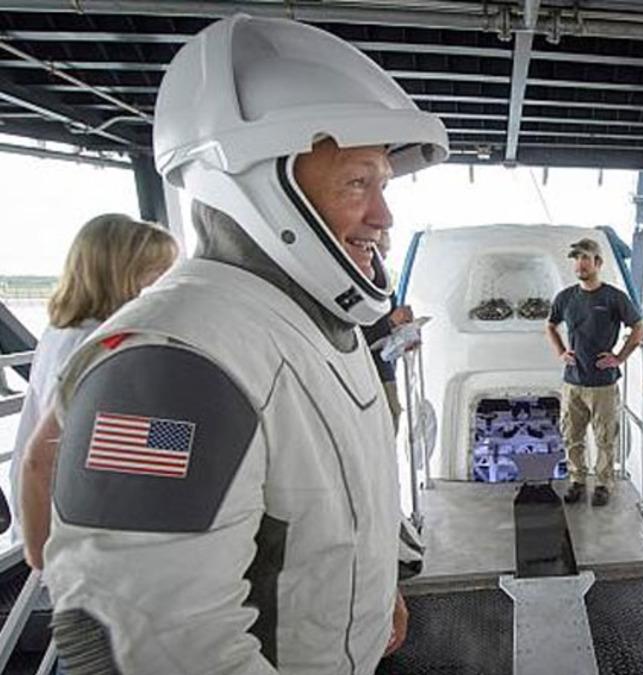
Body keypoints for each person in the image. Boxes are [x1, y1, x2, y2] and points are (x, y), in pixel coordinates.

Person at [28, 14, 449, 673]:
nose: (383, 216)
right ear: (259, 185)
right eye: (357, 183)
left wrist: (375, 589)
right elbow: (139, 644)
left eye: (383, 185)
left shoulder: (305, 325)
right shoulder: (171, 367)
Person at [14, 214, 177, 547]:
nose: (168, 284)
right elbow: (47, 455)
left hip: (51, 513)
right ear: (120, 273)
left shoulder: (62, 331)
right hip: (69, 526)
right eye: (159, 271)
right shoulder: (99, 346)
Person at [545, 237, 643, 506]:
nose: (580, 264)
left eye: (585, 258)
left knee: (605, 438)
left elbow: (639, 327)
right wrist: (561, 352)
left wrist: (619, 357)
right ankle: (577, 480)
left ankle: (603, 484)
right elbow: (550, 325)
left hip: (603, 384)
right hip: (573, 382)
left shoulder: (614, 297)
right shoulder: (566, 298)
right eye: (576, 258)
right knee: (572, 436)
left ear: (598, 262)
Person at [362, 229, 415, 430]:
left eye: (385, 252)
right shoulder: (358, 284)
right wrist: (391, 323)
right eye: (380, 250)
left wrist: (406, 335)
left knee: (392, 419)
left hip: (384, 370)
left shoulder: (382, 285)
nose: (383, 257)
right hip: (368, 374)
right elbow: (354, 333)